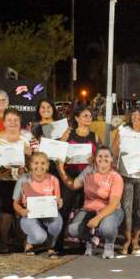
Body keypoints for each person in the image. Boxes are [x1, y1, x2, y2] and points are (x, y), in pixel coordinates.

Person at [57, 146, 124, 258]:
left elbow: (113, 204)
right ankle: (91, 239)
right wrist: (60, 169)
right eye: (100, 156)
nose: (103, 158)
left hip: (111, 211)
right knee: (72, 230)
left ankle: (109, 244)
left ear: (112, 159)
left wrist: (97, 219)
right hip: (89, 209)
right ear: (95, 158)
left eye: (107, 156)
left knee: (106, 228)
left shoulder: (116, 177)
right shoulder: (88, 171)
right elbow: (73, 185)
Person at [0, 108, 31, 253]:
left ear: (20, 122)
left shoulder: (28, 137)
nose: (13, 123)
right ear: (4, 123)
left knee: (23, 211)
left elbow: (40, 158)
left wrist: (29, 155)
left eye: (15, 120)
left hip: (24, 180)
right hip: (3, 180)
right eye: (9, 120)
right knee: (6, 212)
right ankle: (4, 243)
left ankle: (25, 242)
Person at [112, 106, 140, 255]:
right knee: (126, 208)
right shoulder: (122, 131)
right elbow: (114, 151)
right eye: (134, 114)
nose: (137, 117)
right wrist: (119, 159)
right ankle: (127, 240)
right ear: (130, 116)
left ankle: (136, 239)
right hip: (125, 176)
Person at [58, 104, 100, 251]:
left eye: (89, 115)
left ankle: (84, 242)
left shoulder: (94, 136)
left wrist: (94, 160)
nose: (88, 118)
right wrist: (65, 161)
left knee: (86, 209)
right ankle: (58, 243)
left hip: (88, 178)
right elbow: (59, 156)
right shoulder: (68, 134)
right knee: (64, 209)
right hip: (69, 176)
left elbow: (100, 158)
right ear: (76, 118)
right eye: (84, 115)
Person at [13, 152, 62, 257]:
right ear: (30, 165)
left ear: (48, 165)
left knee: (57, 222)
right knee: (40, 237)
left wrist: (59, 204)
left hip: (49, 214)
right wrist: (21, 211)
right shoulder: (23, 180)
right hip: (29, 215)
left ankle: (51, 246)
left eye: (43, 163)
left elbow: (57, 202)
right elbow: (15, 203)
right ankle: (29, 242)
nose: (39, 166)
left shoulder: (54, 180)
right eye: (36, 163)